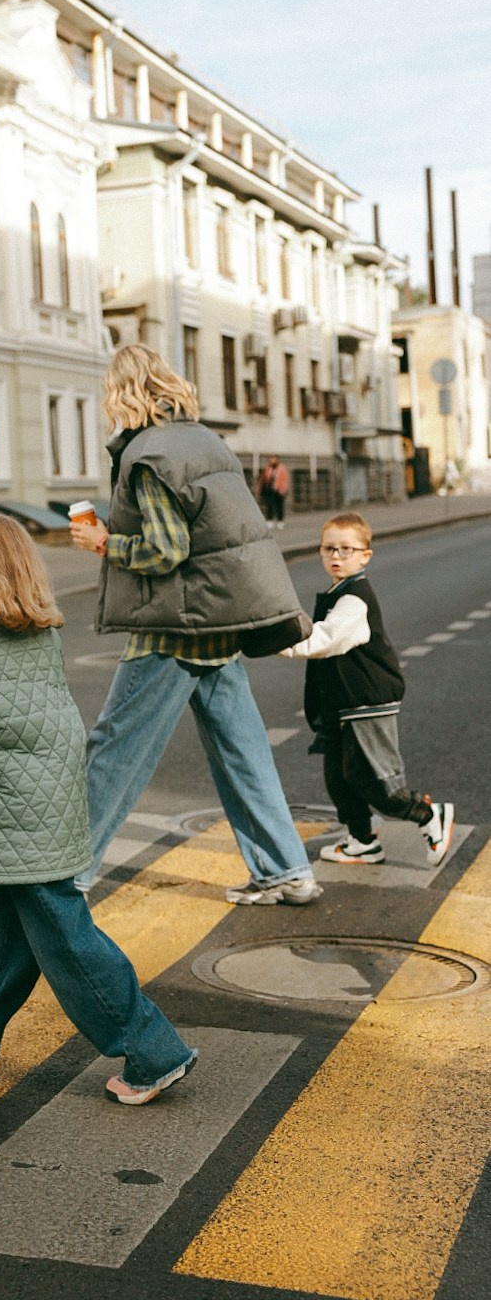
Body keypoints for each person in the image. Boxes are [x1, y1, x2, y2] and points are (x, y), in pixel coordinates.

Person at [0, 513, 197, 1106]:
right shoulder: (39, 637)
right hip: (43, 810)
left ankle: (152, 1051)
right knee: (2, 936)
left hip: (12, 820)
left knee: (70, 943)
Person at [70, 344, 320, 907]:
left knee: (114, 752)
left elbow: (166, 549)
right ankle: (286, 870)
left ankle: (68, 877)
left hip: (172, 633)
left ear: (124, 393)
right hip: (217, 626)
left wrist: (105, 542)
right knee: (244, 752)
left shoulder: (149, 457)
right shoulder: (205, 441)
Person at [279, 511, 454, 866]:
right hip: (342, 702)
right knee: (337, 776)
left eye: (346, 549)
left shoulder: (354, 599)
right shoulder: (338, 591)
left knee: (371, 777)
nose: (336, 556)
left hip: (366, 701)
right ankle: (362, 840)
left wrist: (271, 641)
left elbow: (324, 641)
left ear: (365, 556)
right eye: (329, 548)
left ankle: (428, 815)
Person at [256, 454, 289, 528]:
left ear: (277, 459)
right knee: (269, 505)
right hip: (269, 490)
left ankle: (280, 521)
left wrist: (283, 489)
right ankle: (269, 520)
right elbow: (262, 479)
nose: (271, 460)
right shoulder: (267, 468)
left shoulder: (282, 468)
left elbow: (285, 479)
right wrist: (259, 489)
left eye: (273, 458)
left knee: (279, 506)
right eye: (270, 459)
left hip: (279, 490)